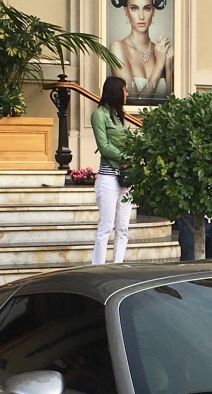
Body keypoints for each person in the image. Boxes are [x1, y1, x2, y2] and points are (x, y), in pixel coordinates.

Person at [91, 76, 133, 265]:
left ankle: (118, 265)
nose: (127, 94)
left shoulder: (119, 116)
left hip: (125, 178)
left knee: (123, 227)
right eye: (125, 90)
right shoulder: (99, 114)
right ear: (116, 91)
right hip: (108, 177)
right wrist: (126, 158)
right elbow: (104, 146)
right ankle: (98, 267)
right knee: (106, 226)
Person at [109, 0, 173, 104]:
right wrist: (159, 64)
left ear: (153, 11)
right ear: (126, 11)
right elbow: (134, 101)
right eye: (134, 8)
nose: (141, 16)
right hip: (131, 120)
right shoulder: (118, 47)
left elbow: (170, 102)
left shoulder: (160, 51)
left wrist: (169, 69)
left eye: (147, 8)